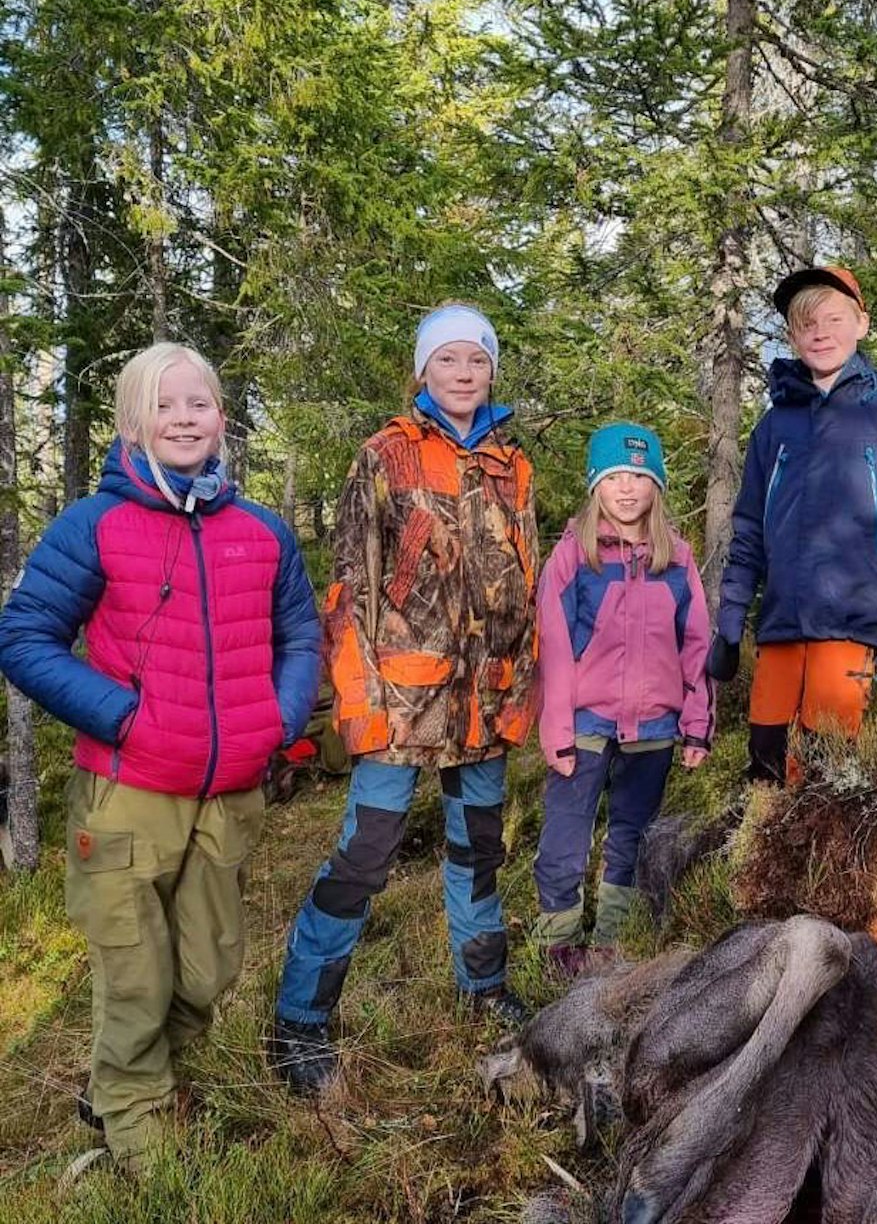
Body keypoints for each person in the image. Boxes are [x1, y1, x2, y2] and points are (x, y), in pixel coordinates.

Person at [0, 342, 321, 1171]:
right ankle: (140, 1132)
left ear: (221, 417)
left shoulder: (262, 532)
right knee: (135, 976)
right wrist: (124, 718)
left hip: (229, 792)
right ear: (133, 421)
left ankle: (126, 1077)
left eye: (199, 404)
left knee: (208, 968)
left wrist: (276, 721)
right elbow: (25, 637)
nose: (184, 419)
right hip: (128, 790)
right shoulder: (95, 525)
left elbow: (300, 635)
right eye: (165, 405)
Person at [269, 303, 539, 1094]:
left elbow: (525, 585)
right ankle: (302, 1020)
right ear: (423, 371)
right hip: (399, 703)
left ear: (491, 371)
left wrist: (517, 693)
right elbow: (350, 591)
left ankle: (484, 989)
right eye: (448, 360)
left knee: (479, 853)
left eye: (477, 361)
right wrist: (361, 704)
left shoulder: (513, 467)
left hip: (482, 707)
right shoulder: (383, 456)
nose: (463, 373)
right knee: (364, 856)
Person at [707, 265, 877, 783]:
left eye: (833, 319)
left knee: (828, 780)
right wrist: (730, 616)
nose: (820, 332)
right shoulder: (773, 427)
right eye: (805, 323)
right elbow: (748, 529)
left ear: (861, 324)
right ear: (792, 336)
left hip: (851, 630)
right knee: (766, 772)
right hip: (779, 631)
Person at [532, 423, 713, 973]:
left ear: (656, 485)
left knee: (631, 833)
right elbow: (555, 648)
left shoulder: (677, 561)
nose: (628, 488)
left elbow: (696, 644)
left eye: (639, 476)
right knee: (566, 833)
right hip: (584, 724)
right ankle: (559, 940)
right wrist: (557, 728)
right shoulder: (572, 558)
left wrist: (696, 722)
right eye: (615, 476)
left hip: (654, 729)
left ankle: (613, 940)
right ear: (596, 485)